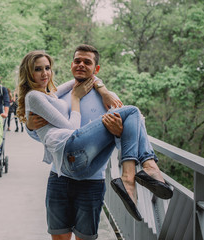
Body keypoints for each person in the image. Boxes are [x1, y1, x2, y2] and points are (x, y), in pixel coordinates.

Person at [17, 46, 173, 240]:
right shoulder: (58, 95)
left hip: (91, 180)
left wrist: (118, 132)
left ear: (96, 69)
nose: (81, 65)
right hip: (59, 176)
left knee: (86, 237)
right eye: (77, 61)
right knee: (59, 236)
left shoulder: (109, 99)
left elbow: (131, 134)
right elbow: (42, 136)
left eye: (87, 62)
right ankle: (143, 170)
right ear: (71, 64)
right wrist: (30, 126)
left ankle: (138, 173)